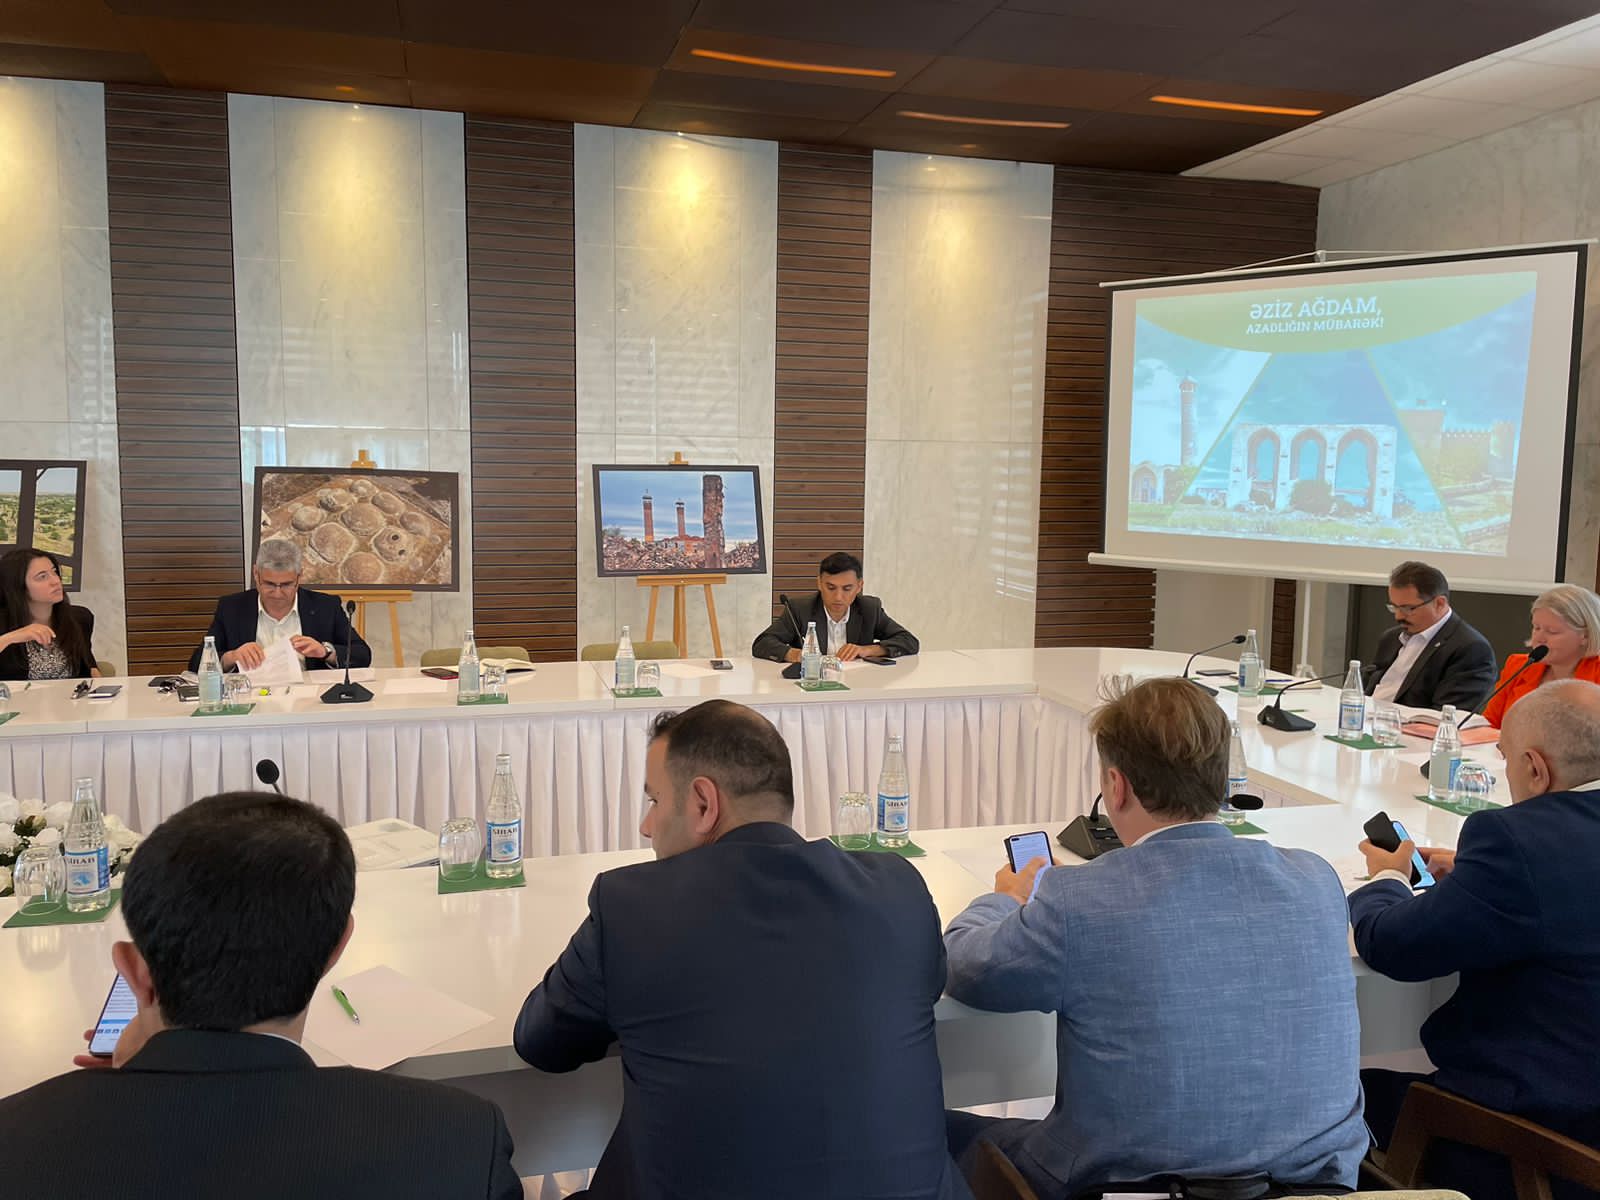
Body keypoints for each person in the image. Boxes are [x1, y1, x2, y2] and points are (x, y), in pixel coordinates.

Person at [513, 699, 967, 1200]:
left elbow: (540, 1041)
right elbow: (922, 989)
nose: (646, 825)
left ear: (704, 804)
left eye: (655, 801)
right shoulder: (898, 889)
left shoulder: (631, 906)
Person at [943, 676, 1365, 1197]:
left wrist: (1006, 899)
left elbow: (963, 967)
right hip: (1315, 1187)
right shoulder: (1316, 881)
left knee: (929, 1131)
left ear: (1116, 786)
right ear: (1223, 780)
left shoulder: (1079, 901)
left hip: (1124, 1186)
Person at [0, 791, 521, 1199]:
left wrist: (144, 1069)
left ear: (134, 972)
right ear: (337, 945)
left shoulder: (17, 1138)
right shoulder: (457, 1137)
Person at [1351, 678, 1600, 1200]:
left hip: (1536, 1147)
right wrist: (1476, 875)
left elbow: (1393, 946)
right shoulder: (1531, 851)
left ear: (1535, 768)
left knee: (1337, 1092)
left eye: (1505, 758)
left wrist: (1388, 877)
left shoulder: (1516, 840)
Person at [188, 539, 370, 673]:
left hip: (308, 700)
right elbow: (196, 663)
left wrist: (325, 651)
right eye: (269, 584)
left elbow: (362, 655)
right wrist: (231, 657)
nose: (277, 593)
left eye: (286, 585)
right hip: (252, 698)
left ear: (299, 577)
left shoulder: (326, 606)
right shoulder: (232, 607)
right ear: (256, 574)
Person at [1364, 560, 1496, 712]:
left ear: (1439, 603)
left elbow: (1446, 715)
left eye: (1408, 608)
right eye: (1394, 607)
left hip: (1405, 725)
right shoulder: (1391, 638)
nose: (1398, 616)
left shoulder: (1471, 649)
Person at [751, 551, 919, 662]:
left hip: (858, 687)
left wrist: (867, 650)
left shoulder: (869, 608)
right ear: (819, 583)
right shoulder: (800, 609)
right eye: (831, 588)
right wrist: (796, 655)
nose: (838, 597)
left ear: (859, 586)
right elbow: (762, 644)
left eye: (847, 589)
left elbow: (909, 641)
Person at [1482, 583, 1600, 728]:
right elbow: (1488, 724)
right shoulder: (1518, 666)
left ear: (1585, 636)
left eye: (1552, 631)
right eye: (1536, 628)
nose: (1539, 638)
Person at [0, 546, 99, 681]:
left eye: (54, 572)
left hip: (68, 695)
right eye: (42, 577)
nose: (56, 581)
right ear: (17, 586)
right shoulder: (3, 622)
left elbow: (88, 670)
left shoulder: (79, 618)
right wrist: (10, 638)